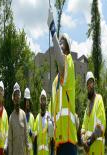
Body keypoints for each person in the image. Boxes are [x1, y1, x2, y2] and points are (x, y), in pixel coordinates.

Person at [47, 6, 77, 154]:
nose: (59, 44)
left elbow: (60, 59)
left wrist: (53, 29)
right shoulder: (54, 83)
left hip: (69, 139)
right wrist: (50, 121)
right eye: (58, 42)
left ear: (68, 49)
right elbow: (53, 109)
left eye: (62, 42)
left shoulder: (69, 63)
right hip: (58, 141)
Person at [81, 71, 106, 155]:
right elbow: (83, 127)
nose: (89, 86)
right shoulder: (87, 106)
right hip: (88, 150)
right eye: (87, 84)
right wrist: (83, 141)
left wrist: (88, 143)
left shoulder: (99, 100)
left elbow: (99, 127)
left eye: (90, 82)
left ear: (94, 84)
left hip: (97, 148)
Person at [8, 82, 29, 155]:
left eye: (18, 95)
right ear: (13, 99)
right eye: (15, 95)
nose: (17, 97)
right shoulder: (11, 118)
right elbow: (10, 140)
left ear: (20, 98)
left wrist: (28, 152)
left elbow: (26, 136)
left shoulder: (23, 115)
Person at [34, 89, 54, 155]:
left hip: (47, 152)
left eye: (44, 99)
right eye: (41, 99)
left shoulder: (49, 117)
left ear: (46, 102)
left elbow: (52, 139)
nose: (43, 102)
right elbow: (35, 137)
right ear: (40, 101)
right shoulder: (37, 118)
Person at [0, 81, 9, 155]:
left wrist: (6, 145)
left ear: (3, 93)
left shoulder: (5, 113)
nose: (0, 92)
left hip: (3, 150)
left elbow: (7, 131)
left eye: (2, 90)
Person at [23, 88, 35, 155]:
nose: (27, 103)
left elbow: (34, 139)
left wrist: (31, 134)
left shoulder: (32, 117)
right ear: (24, 102)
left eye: (28, 101)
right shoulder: (21, 115)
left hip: (30, 152)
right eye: (26, 101)